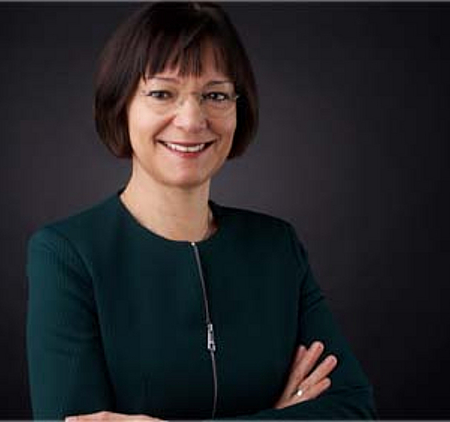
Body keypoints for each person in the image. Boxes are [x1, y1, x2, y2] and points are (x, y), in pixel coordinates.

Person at [26, 2, 376, 420]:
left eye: (215, 95)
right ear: (121, 104)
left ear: (238, 108)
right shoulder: (67, 255)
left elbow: (354, 409)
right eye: (162, 93)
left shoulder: (277, 247)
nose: (192, 120)